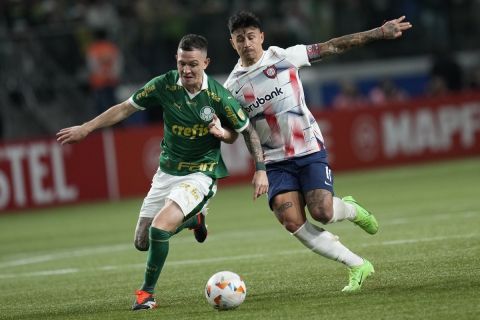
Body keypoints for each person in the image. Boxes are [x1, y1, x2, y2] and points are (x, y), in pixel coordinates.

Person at [56, 34, 268, 310]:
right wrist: (86, 128)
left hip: (200, 174)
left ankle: (146, 294)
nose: (187, 70)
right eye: (182, 63)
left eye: (193, 64)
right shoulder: (164, 85)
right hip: (166, 173)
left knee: (160, 226)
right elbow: (124, 108)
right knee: (142, 241)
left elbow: (245, 132)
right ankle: (194, 221)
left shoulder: (218, 96)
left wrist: (259, 167)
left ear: (206, 62)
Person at [213, 11, 412, 292]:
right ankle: (357, 265)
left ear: (261, 37)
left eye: (251, 36)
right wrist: (225, 135)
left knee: (322, 211)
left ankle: (352, 210)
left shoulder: (284, 57)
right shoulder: (231, 88)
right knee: (291, 220)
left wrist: (379, 33)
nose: (246, 43)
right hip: (275, 162)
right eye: (239, 38)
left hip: (308, 148)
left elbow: (333, 46)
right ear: (232, 43)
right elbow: (239, 131)